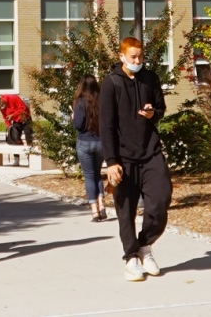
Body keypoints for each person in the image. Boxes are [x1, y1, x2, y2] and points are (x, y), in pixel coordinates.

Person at [102, 37, 171, 282]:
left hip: (150, 151)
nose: (138, 61)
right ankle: (131, 258)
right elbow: (106, 125)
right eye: (133, 57)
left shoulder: (150, 78)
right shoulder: (111, 83)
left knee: (160, 201)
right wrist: (111, 161)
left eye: (140, 56)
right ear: (122, 57)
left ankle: (144, 245)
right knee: (126, 210)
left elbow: (161, 109)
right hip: (123, 156)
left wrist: (153, 113)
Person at [73, 74, 106, 222]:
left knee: (89, 176)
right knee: (97, 173)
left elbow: (78, 125)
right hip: (100, 142)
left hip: (84, 141)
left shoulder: (80, 102)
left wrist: (73, 118)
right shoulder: (102, 100)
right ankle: (102, 204)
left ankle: (94, 211)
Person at [0, 94, 33, 165]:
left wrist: (13, 115)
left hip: (26, 118)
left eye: (0, 105)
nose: (1, 108)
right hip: (16, 121)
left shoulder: (13, 98)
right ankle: (16, 159)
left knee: (28, 138)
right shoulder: (2, 108)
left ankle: (30, 158)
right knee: (15, 139)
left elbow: (23, 108)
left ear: (1, 100)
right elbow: (5, 117)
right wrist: (9, 125)